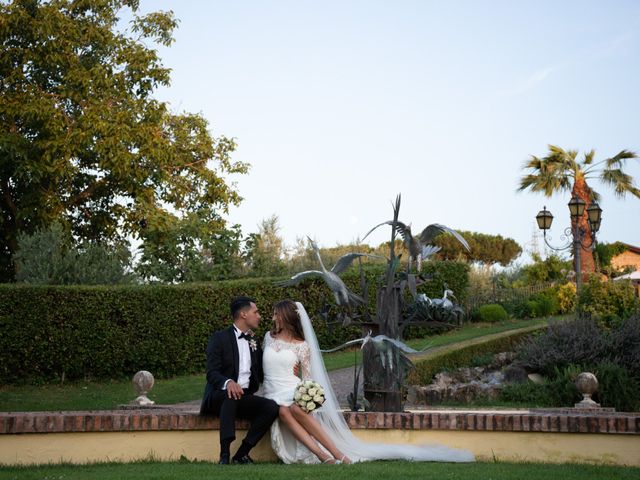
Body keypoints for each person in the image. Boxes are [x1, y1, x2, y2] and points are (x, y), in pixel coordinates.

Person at [262, 299, 475, 464]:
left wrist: (307, 397)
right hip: (273, 393)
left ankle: (331, 455)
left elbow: (307, 379)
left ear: (287, 317)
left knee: (291, 410)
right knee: (283, 410)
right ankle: (327, 455)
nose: (272, 318)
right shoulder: (267, 337)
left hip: (292, 392)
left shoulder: (302, 346)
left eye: (276, 314)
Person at [200, 296, 279, 464]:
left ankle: (241, 454)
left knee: (271, 407)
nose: (259, 316)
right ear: (243, 314)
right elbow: (211, 373)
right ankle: (224, 455)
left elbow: (262, 373)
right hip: (218, 397)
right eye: (255, 312)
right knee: (231, 395)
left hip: (243, 397)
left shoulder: (253, 341)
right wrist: (228, 382)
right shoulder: (219, 338)